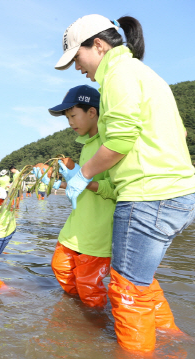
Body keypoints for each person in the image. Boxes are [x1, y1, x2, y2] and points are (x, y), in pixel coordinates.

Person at [56, 14, 195, 351]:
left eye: (78, 57)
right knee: (139, 283)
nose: (77, 66)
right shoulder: (143, 73)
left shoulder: (119, 76)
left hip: (148, 195)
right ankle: (174, 341)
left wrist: (82, 175)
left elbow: (119, 141)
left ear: (99, 45)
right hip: (177, 193)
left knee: (127, 291)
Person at [44, 85, 116, 308]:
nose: (70, 123)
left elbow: (115, 189)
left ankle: (93, 325)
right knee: (61, 268)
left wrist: (86, 181)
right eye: (67, 118)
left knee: (89, 285)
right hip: (75, 227)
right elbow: (81, 183)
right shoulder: (86, 145)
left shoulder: (110, 143)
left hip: (97, 231)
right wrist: (60, 183)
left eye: (73, 115)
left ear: (92, 112)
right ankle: (75, 315)